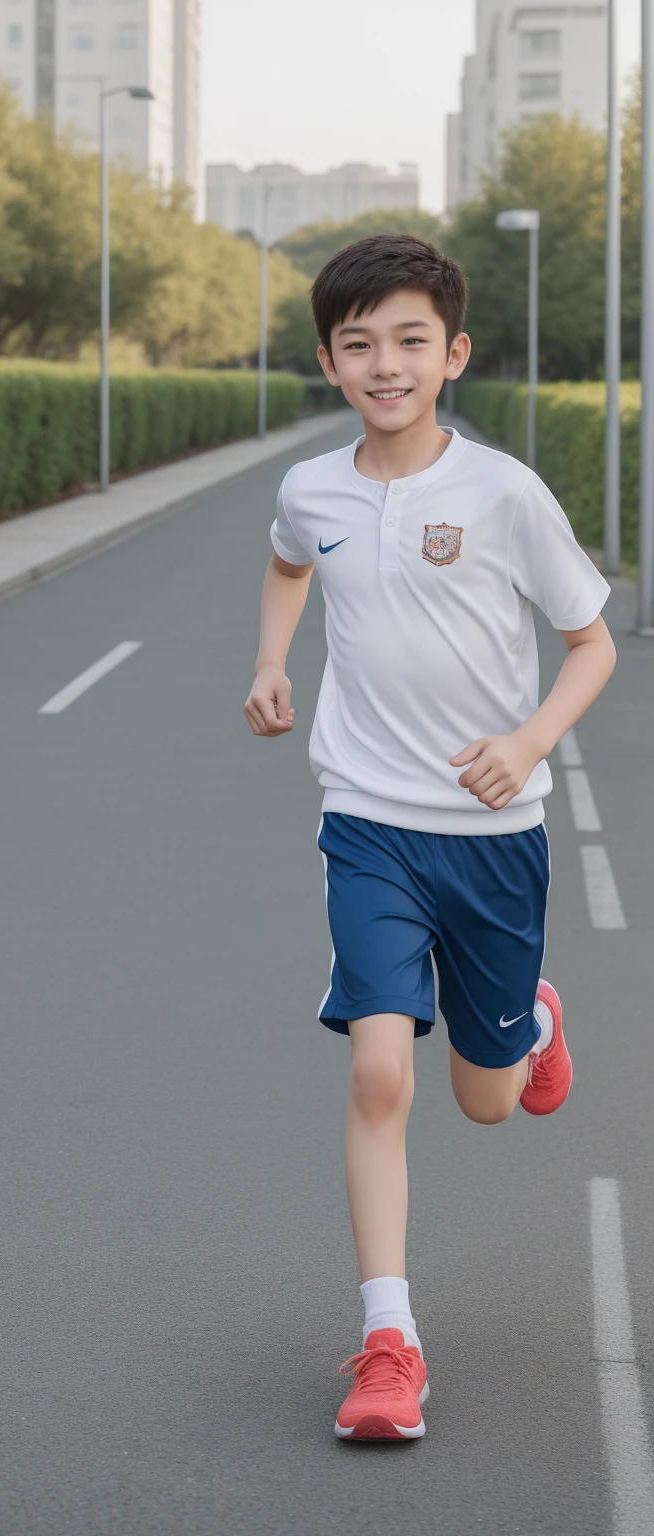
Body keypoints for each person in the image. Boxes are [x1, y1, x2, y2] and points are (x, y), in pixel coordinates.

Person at [243, 235, 616, 1442]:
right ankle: (388, 1341)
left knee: (489, 1102)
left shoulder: (503, 493)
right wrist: (268, 664)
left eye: (409, 341)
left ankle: (534, 1018)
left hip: (493, 832)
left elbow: (591, 644)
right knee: (376, 1068)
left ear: (451, 354)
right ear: (328, 360)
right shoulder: (312, 490)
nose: (383, 363)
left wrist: (529, 740)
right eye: (358, 344)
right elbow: (287, 562)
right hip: (368, 820)